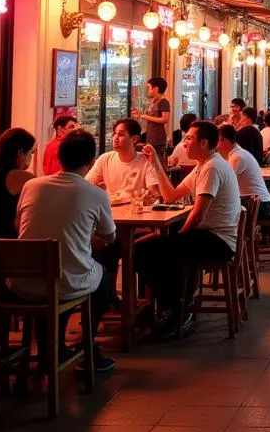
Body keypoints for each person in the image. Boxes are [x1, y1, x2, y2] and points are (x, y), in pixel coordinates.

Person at [13, 130, 117, 372]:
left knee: (53, 272)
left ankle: (53, 347)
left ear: (58, 157)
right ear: (91, 161)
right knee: (101, 278)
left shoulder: (31, 185)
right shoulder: (95, 193)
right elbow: (110, 236)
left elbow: (19, 226)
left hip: (21, 282)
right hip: (65, 281)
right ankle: (87, 347)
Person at [135, 122, 242, 338]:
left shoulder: (212, 167)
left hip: (217, 240)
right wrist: (155, 163)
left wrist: (180, 236)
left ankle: (173, 311)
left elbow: (199, 213)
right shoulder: (203, 165)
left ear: (204, 143)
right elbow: (171, 196)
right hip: (211, 236)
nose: (184, 144)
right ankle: (166, 307)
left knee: (146, 249)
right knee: (147, 246)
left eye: (189, 139)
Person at [86, 119, 160, 202]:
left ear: (135, 139)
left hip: (135, 211)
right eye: (114, 134)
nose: (115, 138)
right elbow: (85, 185)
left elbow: (154, 193)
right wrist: (96, 190)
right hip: (110, 211)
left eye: (121, 134)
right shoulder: (104, 159)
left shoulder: (145, 160)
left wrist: (145, 196)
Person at [132, 76, 171, 155]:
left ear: (155, 88)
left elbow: (165, 119)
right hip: (151, 138)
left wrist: (145, 116)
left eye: (148, 87)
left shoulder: (163, 102)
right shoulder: (154, 101)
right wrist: (140, 115)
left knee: (157, 163)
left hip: (158, 139)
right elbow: (152, 117)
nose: (147, 90)